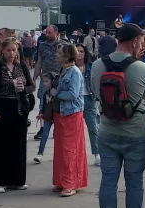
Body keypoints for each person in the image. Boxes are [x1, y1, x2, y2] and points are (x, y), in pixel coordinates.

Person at [91, 23, 145, 208]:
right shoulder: (142, 68)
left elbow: (96, 94)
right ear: (135, 41)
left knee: (108, 181)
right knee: (134, 183)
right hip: (135, 133)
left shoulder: (97, 65)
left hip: (107, 132)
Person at [0, 38, 34, 193]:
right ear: (2, 51)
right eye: (8, 50)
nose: (11, 53)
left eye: (14, 50)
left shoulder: (21, 66)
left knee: (18, 144)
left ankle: (16, 179)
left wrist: (23, 89)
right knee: (1, 144)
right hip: (2, 107)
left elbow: (31, 86)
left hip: (18, 108)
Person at [50, 43, 87, 197]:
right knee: (60, 149)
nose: (56, 55)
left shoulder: (74, 72)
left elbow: (73, 94)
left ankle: (70, 183)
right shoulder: (65, 70)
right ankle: (62, 181)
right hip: (62, 113)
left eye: (59, 53)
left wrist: (56, 94)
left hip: (71, 114)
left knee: (69, 149)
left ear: (66, 55)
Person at [33, 24, 61, 139]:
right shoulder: (42, 46)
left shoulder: (62, 45)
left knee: (57, 104)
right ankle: (43, 129)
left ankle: (57, 129)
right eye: (46, 33)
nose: (47, 35)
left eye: (50, 33)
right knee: (43, 104)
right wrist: (34, 79)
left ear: (56, 33)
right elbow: (39, 62)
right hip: (45, 78)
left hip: (58, 79)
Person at [75, 44, 100, 166]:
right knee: (75, 130)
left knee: (93, 127)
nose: (79, 53)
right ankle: (75, 155)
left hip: (89, 99)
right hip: (74, 100)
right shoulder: (69, 67)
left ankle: (97, 154)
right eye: (77, 51)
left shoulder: (90, 66)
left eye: (81, 51)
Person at [33, 73, 55, 163]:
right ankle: (40, 153)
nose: (44, 84)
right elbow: (43, 105)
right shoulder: (45, 93)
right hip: (48, 117)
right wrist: (41, 113)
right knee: (44, 135)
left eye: (47, 81)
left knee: (58, 136)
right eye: (43, 82)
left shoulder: (56, 93)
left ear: (52, 82)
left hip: (57, 117)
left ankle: (59, 154)